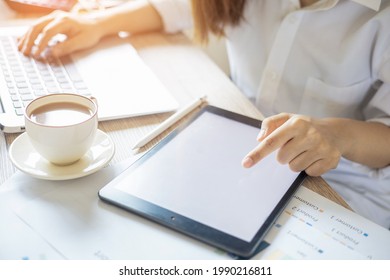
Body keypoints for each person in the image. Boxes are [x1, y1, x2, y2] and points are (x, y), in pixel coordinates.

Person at [18, 0, 390, 228]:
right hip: (240, 149)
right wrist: (97, 23)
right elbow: (183, 6)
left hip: (343, 184)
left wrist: (337, 134)